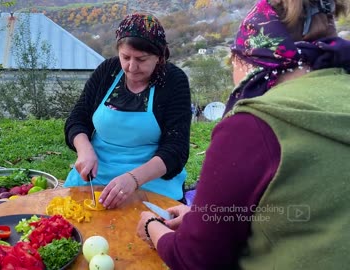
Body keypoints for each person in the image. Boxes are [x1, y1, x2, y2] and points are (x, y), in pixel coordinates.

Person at [136, 0, 350, 269]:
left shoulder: (254, 124)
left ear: (252, 60)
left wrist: (153, 228)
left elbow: (196, 258)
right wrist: (205, 218)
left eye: (234, 62)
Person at [63, 13, 191, 209]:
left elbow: (176, 150)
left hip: (150, 179)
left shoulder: (174, 81)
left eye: (141, 59)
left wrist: (133, 179)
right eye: (125, 57)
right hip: (95, 176)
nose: (131, 67)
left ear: (159, 56)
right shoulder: (108, 71)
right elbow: (77, 119)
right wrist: (84, 149)